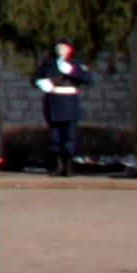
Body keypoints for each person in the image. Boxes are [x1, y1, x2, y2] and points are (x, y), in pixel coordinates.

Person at [35, 40, 90, 176]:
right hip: (53, 101)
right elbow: (35, 77)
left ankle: (68, 166)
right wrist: (41, 83)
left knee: (68, 135)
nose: (59, 48)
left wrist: (72, 71)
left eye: (63, 46)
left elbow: (88, 79)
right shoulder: (49, 63)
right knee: (55, 136)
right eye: (58, 45)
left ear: (70, 49)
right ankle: (56, 165)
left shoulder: (76, 63)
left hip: (69, 102)